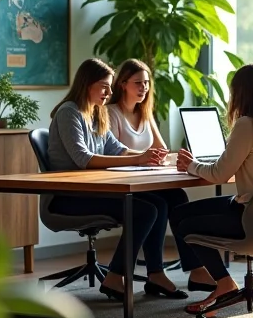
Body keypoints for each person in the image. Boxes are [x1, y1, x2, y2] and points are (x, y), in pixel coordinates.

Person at [46, 58, 192, 302]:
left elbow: (118, 150)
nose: (109, 92)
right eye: (104, 86)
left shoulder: (97, 113)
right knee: (145, 210)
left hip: (94, 191)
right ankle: (115, 276)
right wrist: (139, 159)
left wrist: (147, 156)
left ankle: (155, 274)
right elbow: (83, 158)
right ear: (87, 84)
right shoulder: (69, 112)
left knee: (160, 203)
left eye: (110, 86)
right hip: (70, 197)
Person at [171, 62, 253, 313]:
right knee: (179, 213)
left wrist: (191, 165)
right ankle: (204, 276)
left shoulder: (247, 125)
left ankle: (224, 284)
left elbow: (219, 174)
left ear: (241, 93)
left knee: (186, 225)